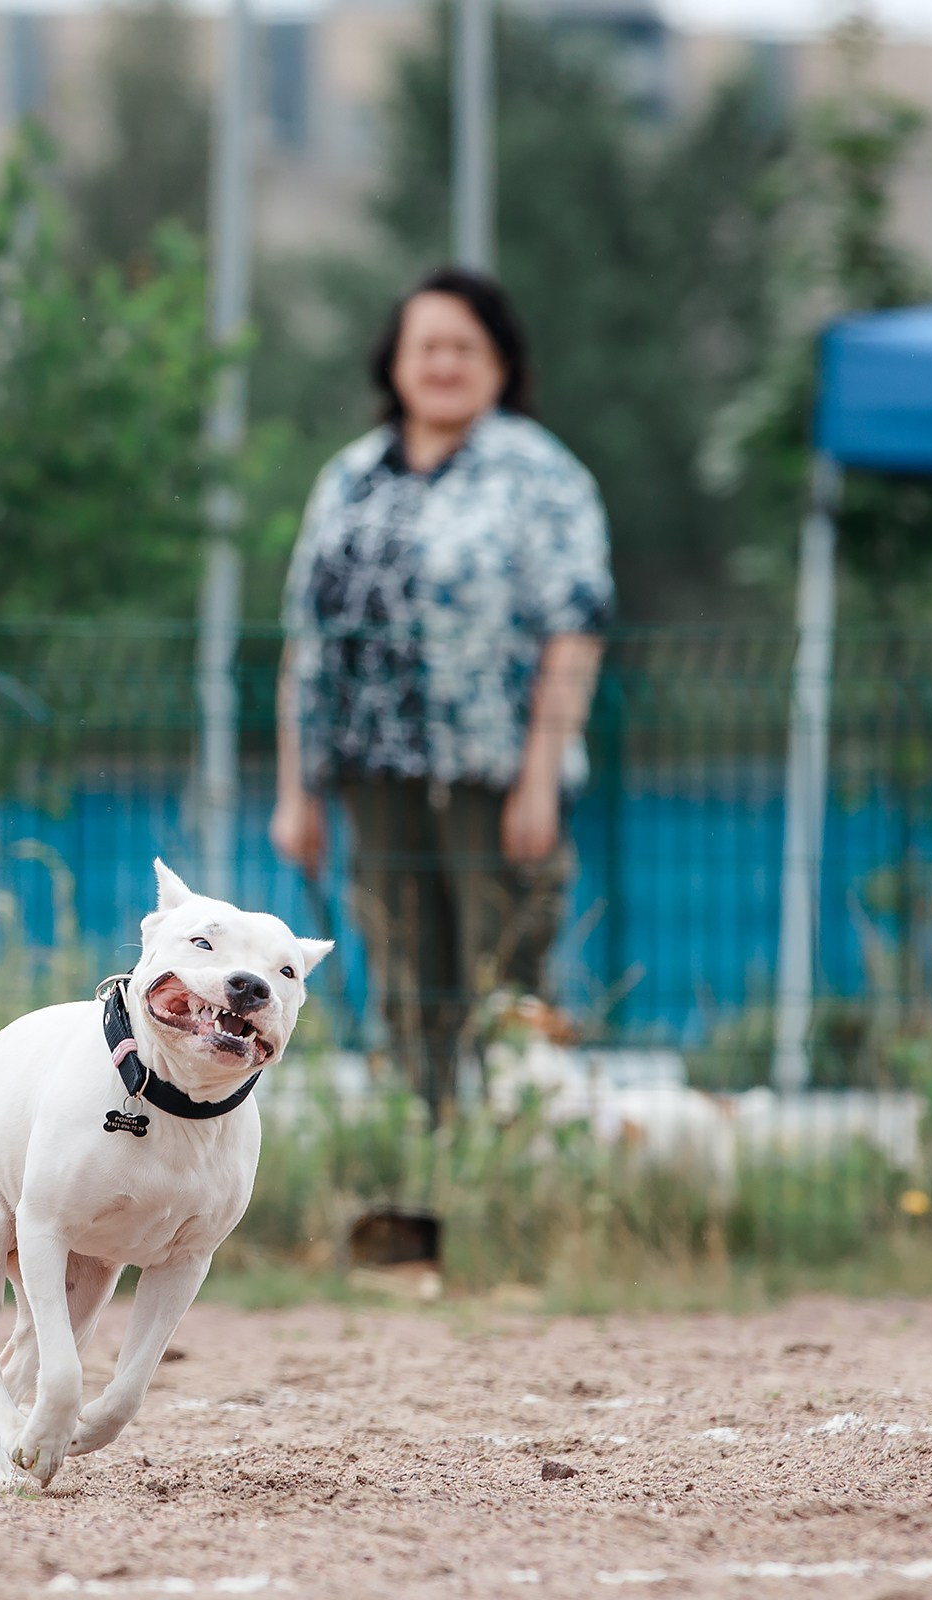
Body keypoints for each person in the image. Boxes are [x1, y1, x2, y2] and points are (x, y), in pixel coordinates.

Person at [269, 269, 612, 1121]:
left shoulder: (541, 475)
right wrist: (295, 790)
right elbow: (306, 641)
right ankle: (424, 1156)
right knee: (403, 977)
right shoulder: (350, 477)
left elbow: (575, 628)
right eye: (428, 345)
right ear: (395, 362)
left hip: (494, 777)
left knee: (504, 980)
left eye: (466, 346)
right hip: (370, 771)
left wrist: (541, 777)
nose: (444, 363)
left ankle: (511, 1162)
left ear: (501, 367)